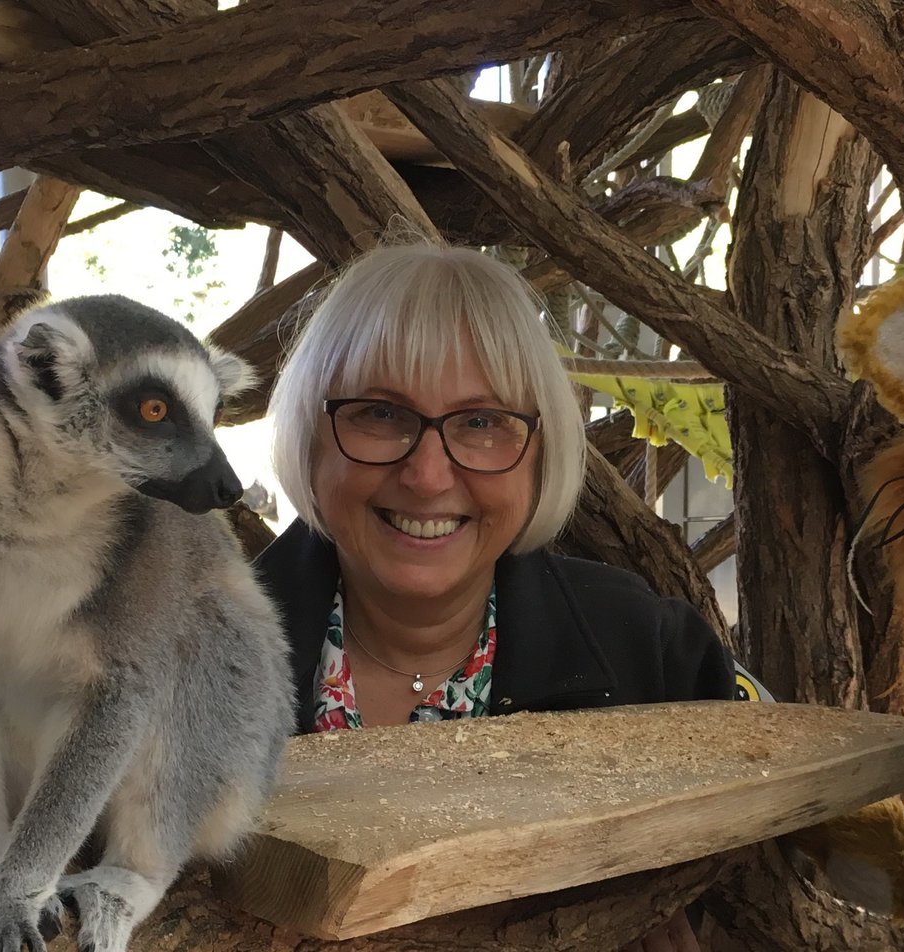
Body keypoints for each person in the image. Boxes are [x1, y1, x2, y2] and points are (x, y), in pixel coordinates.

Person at [255, 239, 735, 951]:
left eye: (480, 423)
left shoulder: (656, 656)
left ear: (540, 452)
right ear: (310, 437)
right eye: (380, 414)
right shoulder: (165, 664)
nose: (427, 476)